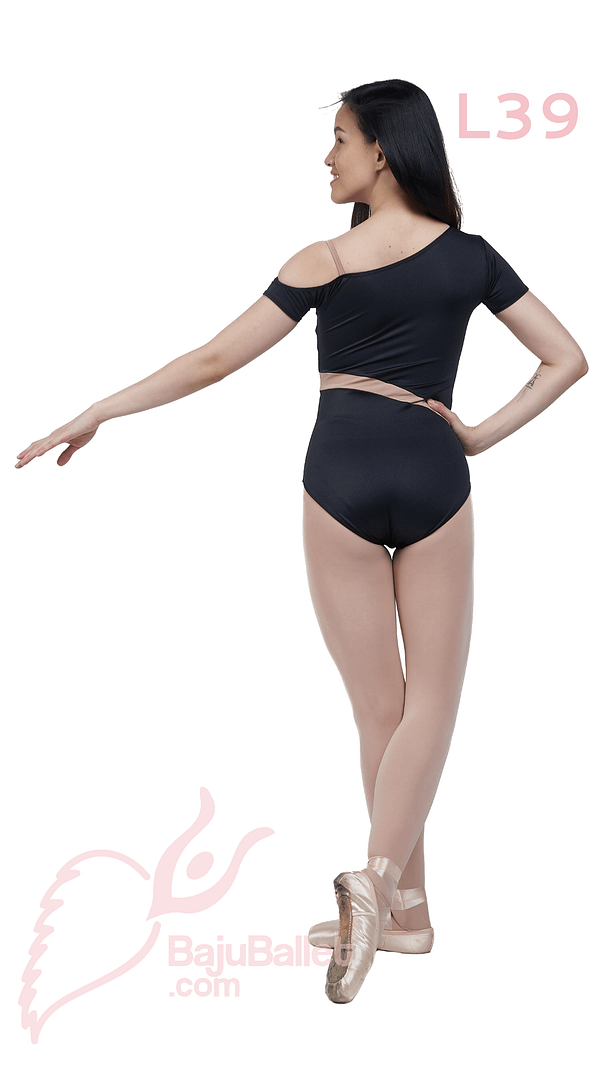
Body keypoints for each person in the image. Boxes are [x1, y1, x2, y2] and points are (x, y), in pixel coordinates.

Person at [15, 79, 588, 1005]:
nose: (327, 158)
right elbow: (566, 357)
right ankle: (402, 907)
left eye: (341, 139)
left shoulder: (322, 260)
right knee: (431, 701)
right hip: (435, 476)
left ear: (382, 152)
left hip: (339, 479)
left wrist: (100, 410)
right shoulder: (472, 258)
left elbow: (211, 359)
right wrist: (479, 433)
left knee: (379, 706)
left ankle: (376, 885)